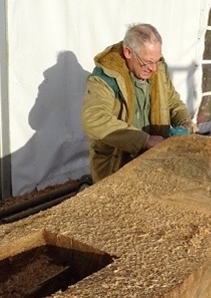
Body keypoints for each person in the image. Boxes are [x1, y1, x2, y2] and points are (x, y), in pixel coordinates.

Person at [81, 23, 198, 183]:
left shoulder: (158, 69)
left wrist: (185, 122)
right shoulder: (104, 79)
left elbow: (172, 101)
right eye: (148, 62)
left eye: (156, 61)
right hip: (117, 164)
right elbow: (93, 118)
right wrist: (144, 140)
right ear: (128, 52)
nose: (154, 69)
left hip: (153, 161)